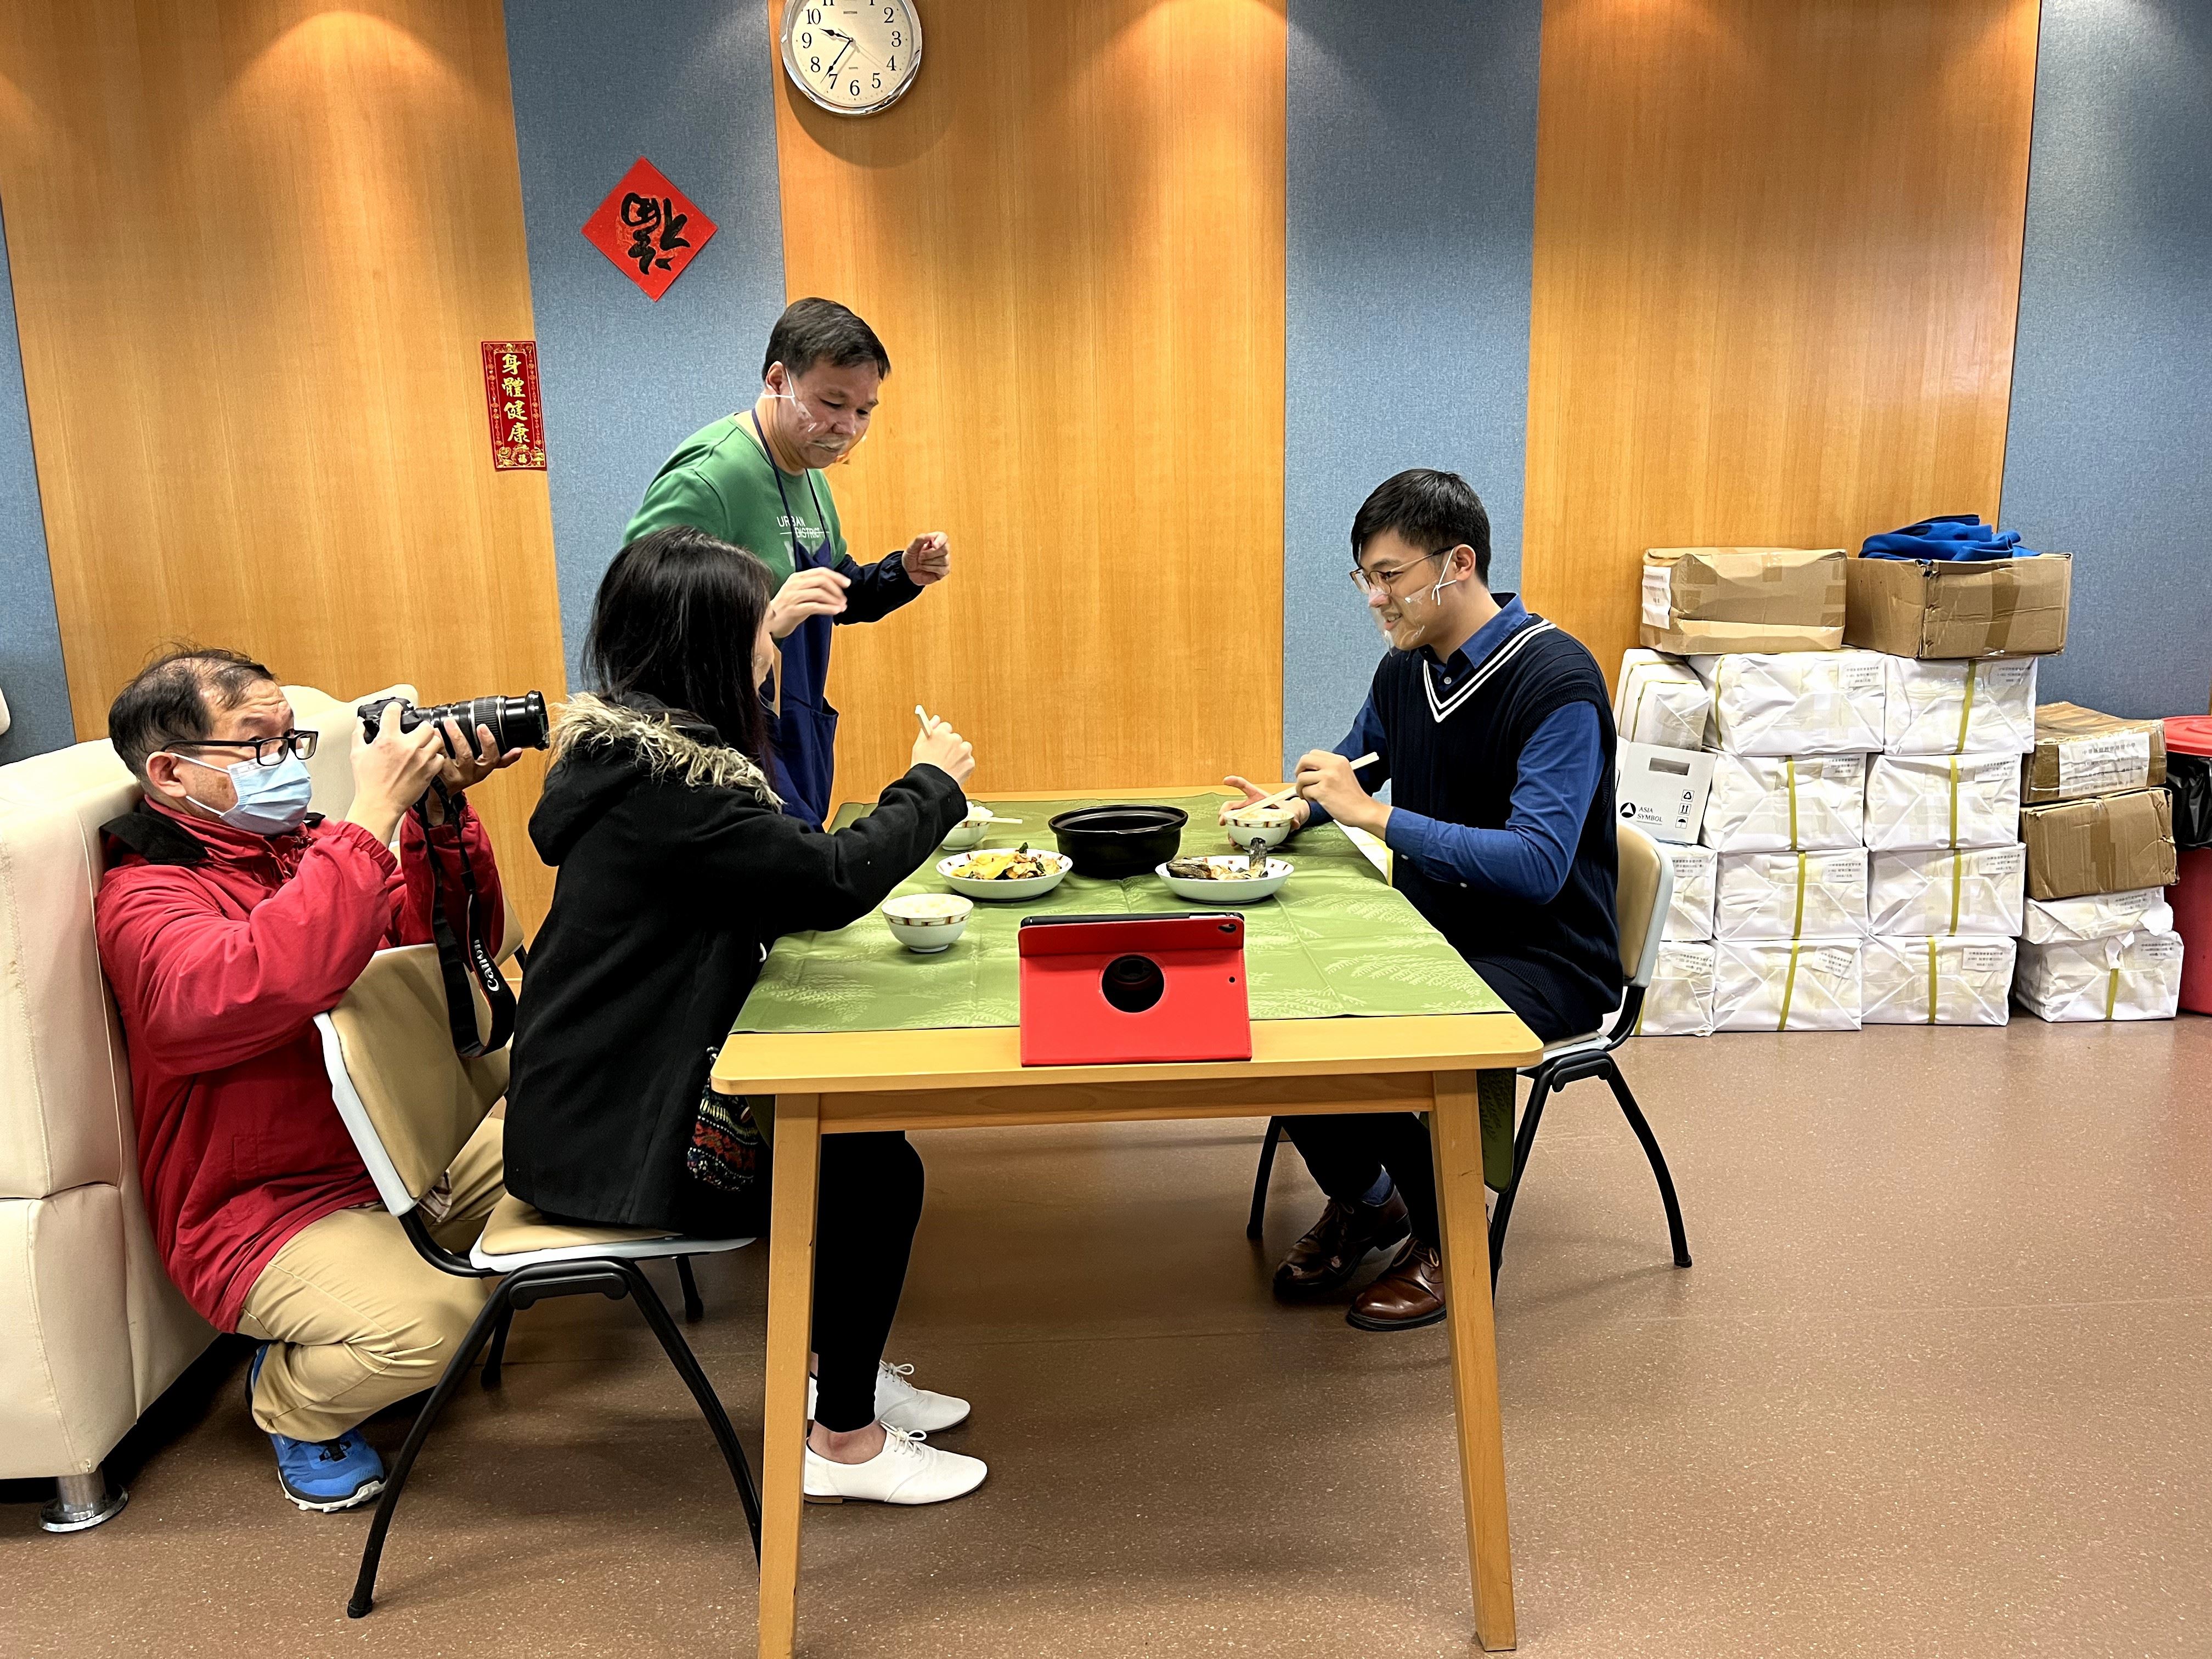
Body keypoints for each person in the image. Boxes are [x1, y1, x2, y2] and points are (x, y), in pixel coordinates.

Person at [504, 526, 988, 1506]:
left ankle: (841, 1374)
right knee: (869, 1169)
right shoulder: (672, 787)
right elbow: (831, 877)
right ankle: (844, 1438)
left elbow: (785, 867)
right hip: (617, 1136)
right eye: (760, 627)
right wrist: (931, 782)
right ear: (708, 647)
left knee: (861, 1140)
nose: (774, 643)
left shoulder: (645, 759)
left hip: (602, 1094)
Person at [94, 649, 523, 1510]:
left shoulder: (306, 852)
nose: (285, 763)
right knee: (439, 1325)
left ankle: (386, 1290)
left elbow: (437, 947)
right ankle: (292, 1401)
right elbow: (267, 978)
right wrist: (371, 818)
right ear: (170, 773)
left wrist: (437, 817)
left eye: (291, 742)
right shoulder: (145, 900)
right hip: (263, 1211)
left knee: (577, 1144)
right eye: (259, 745)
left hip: (396, 1155)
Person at [1225, 470, 1623, 1332]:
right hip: (1431, 933)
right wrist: (1290, 809)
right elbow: (1357, 765)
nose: (1375, 598)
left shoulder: (1556, 682)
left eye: (1390, 575)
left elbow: (1538, 865)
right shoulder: (1408, 671)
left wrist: (1375, 817)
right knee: (1272, 1005)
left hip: (1546, 955)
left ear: (1459, 564)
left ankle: (1452, 1236)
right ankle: (1373, 1199)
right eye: (1365, 577)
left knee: (1370, 1035)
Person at [624, 297, 952, 828]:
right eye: (832, 402)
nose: (847, 427)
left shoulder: (812, 476)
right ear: (779, 380)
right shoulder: (711, 476)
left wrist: (903, 574)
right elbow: (639, 629)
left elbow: (834, 593)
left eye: (864, 411)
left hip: (794, 737)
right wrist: (766, 622)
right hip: (720, 762)